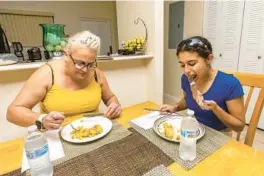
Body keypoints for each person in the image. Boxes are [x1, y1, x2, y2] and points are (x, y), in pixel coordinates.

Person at [7, 31, 121, 130]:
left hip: (94, 131)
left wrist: (114, 105)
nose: (86, 70)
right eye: (80, 63)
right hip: (56, 136)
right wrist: (42, 119)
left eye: (90, 64)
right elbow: (13, 112)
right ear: (66, 55)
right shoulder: (48, 74)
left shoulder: (96, 73)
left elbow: (110, 98)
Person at [160, 36, 245, 133]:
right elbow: (187, 98)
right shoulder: (186, 79)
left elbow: (239, 126)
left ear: (209, 59)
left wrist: (216, 109)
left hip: (219, 134)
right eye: (182, 65)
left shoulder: (230, 84)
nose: (186, 71)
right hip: (194, 128)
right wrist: (175, 107)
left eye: (192, 63)